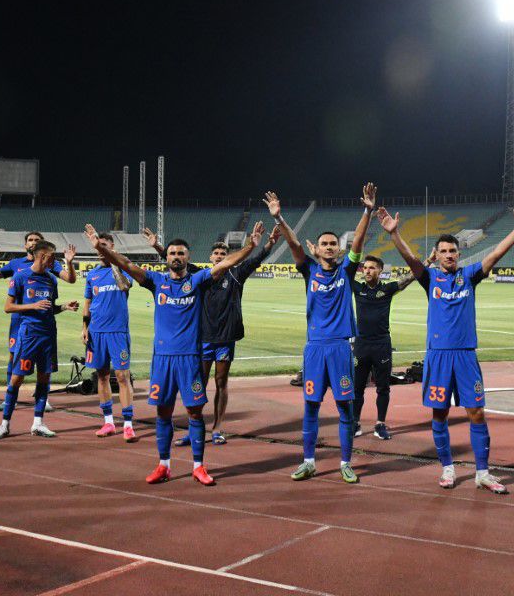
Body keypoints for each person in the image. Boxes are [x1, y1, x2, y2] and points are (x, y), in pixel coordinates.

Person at [379, 203, 514, 493]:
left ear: (458, 254)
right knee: (439, 414)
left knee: (476, 412)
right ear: (436, 255)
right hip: (438, 357)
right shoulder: (430, 279)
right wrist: (394, 234)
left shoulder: (470, 275)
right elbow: (411, 258)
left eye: (453, 251)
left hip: (465, 355)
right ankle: (448, 469)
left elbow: (496, 254)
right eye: (443, 251)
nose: (449, 255)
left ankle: (483, 473)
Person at [85, 222, 256, 485]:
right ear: (166, 258)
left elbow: (224, 265)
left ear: (188, 258)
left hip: (190, 359)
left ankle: (199, 466)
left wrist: (250, 247)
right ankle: (164, 465)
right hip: (163, 360)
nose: (176, 257)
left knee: (195, 413)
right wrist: (100, 248)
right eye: (172, 254)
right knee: (163, 414)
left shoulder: (198, 281)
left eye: (181, 254)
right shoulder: (156, 281)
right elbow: (128, 265)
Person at [265, 185, 374, 485]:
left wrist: (367, 211)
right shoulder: (308, 270)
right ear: (316, 249)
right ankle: (309, 462)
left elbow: (359, 239)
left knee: (345, 409)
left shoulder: (347, 272)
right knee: (310, 407)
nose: (328, 247)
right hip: (314, 348)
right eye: (323, 244)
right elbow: (293, 243)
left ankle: (345, 463)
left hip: (340, 348)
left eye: (332, 244)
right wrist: (279, 219)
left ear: (338, 250)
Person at [147, 223, 277, 445]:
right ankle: (194, 429)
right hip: (203, 338)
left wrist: (267, 246)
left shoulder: (237, 273)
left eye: (223, 254)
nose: (219, 257)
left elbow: (254, 261)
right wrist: (159, 247)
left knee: (221, 381)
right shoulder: (200, 274)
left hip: (226, 337)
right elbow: (178, 263)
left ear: (229, 257)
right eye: (216, 254)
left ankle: (217, 428)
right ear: (210, 257)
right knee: (198, 384)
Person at [0, 233, 76, 411]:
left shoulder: (50, 264)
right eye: (30, 240)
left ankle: (42, 399)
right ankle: (11, 399)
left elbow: (69, 279)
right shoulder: (16, 264)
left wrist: (68, 262)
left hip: (42, 322)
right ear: (25, 245)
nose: (33, 242)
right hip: (19, 321)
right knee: (13, 356)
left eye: (37, 240)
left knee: (44, 364)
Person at [348, 253, 422, 440]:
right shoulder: (357, 288)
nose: (367, 271)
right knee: (357, 388)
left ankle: (380, 424)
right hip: (361, 344)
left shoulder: (388, 289)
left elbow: (408, 279)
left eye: (372, 267)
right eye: (365, 268)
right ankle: (355, 422)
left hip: (381, 344)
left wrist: (426, 262)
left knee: (383, 388)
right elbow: (343, 273)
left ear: (380, 270)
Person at [81, 231, 137, 441]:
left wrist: (114, 260)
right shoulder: (92, 274)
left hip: (117, 332)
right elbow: (88, 303)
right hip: (96, 332)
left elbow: (125, 285)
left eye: (104, 245)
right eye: (98, 246)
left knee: (122, 376)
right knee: (102, 377)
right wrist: (85, 327)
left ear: (112, 248)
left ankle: (129, 424)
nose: (100, 249)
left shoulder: (123, 269)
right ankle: (108, 423)